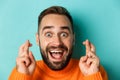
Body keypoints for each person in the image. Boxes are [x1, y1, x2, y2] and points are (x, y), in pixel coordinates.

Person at [9, 6, 108, 80]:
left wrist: (92, 76)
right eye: (48, 34)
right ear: (38, 39)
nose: (57, 42)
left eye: (64, 34)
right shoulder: (21, 72)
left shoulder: (94, 71)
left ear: (73, 39)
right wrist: (22, 75)